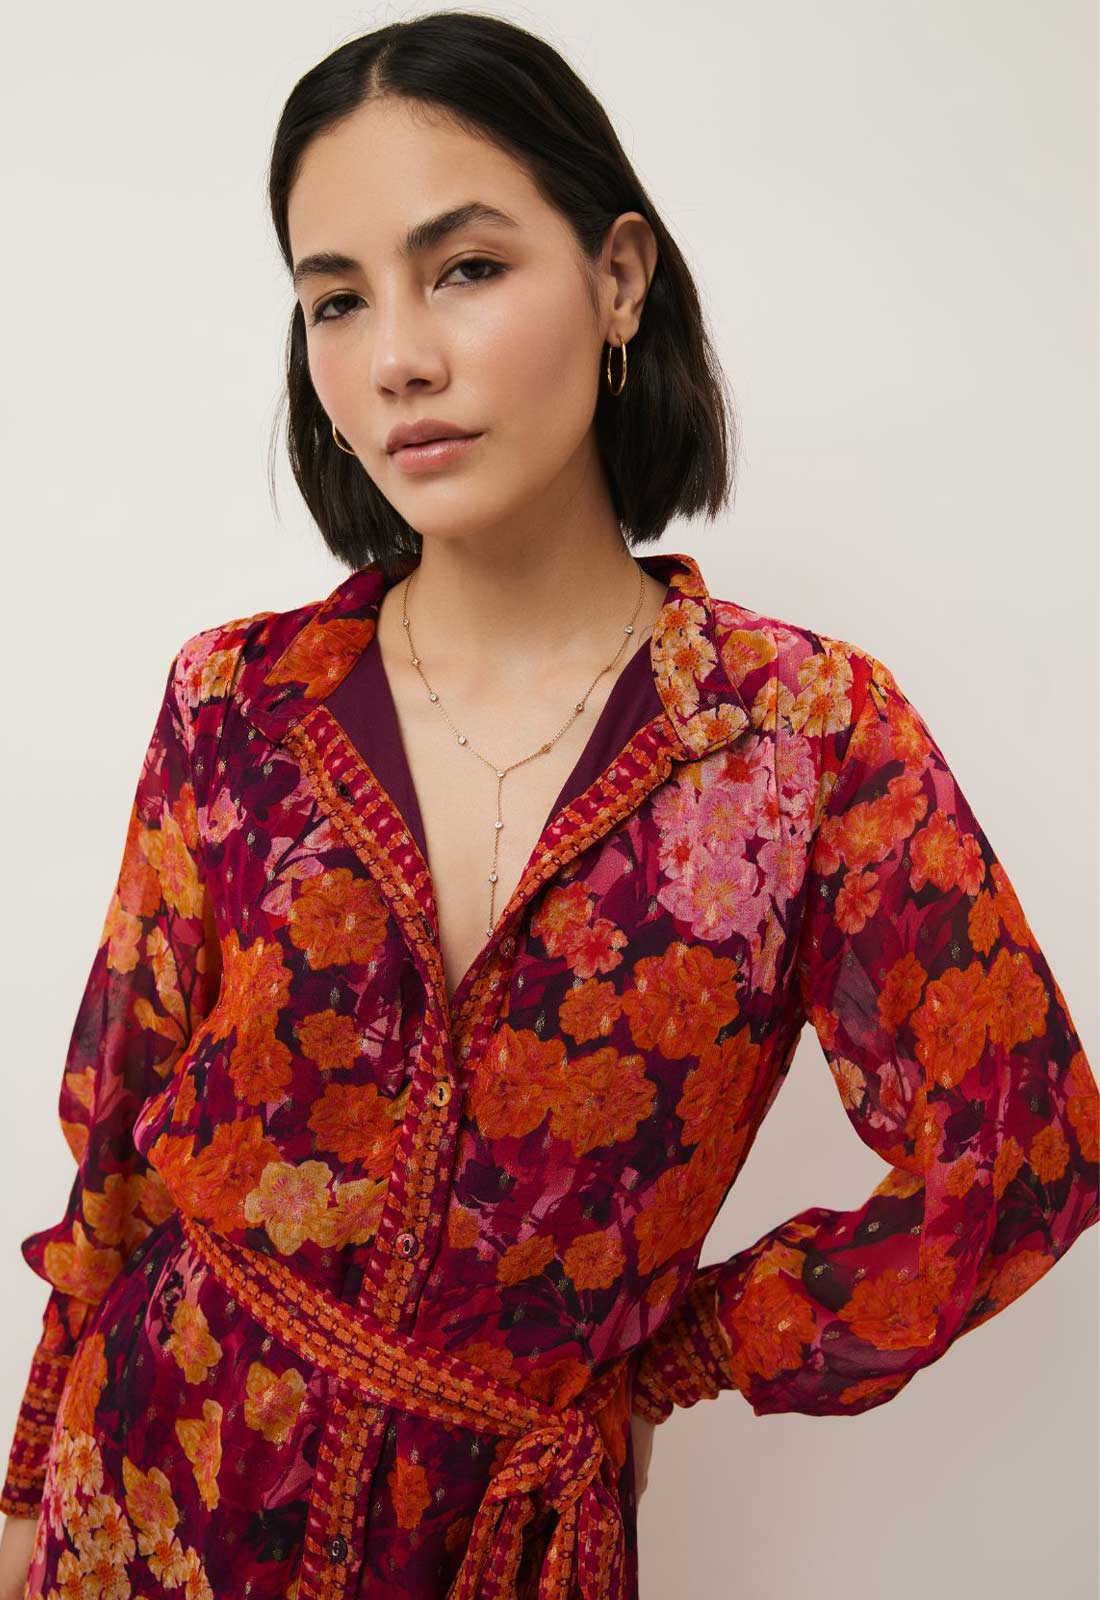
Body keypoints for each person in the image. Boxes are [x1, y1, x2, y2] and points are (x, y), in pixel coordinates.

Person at [1, 13, 1096, 1600]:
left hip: (501, 1548)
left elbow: (1022, 1156)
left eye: (463, 268)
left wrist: (675, 1357)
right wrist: (31, 1481)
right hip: (152, 1493)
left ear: (620, 280)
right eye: (336, 298)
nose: (397, 359)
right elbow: (117, 1137)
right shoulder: (238, 703)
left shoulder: (803, 742)